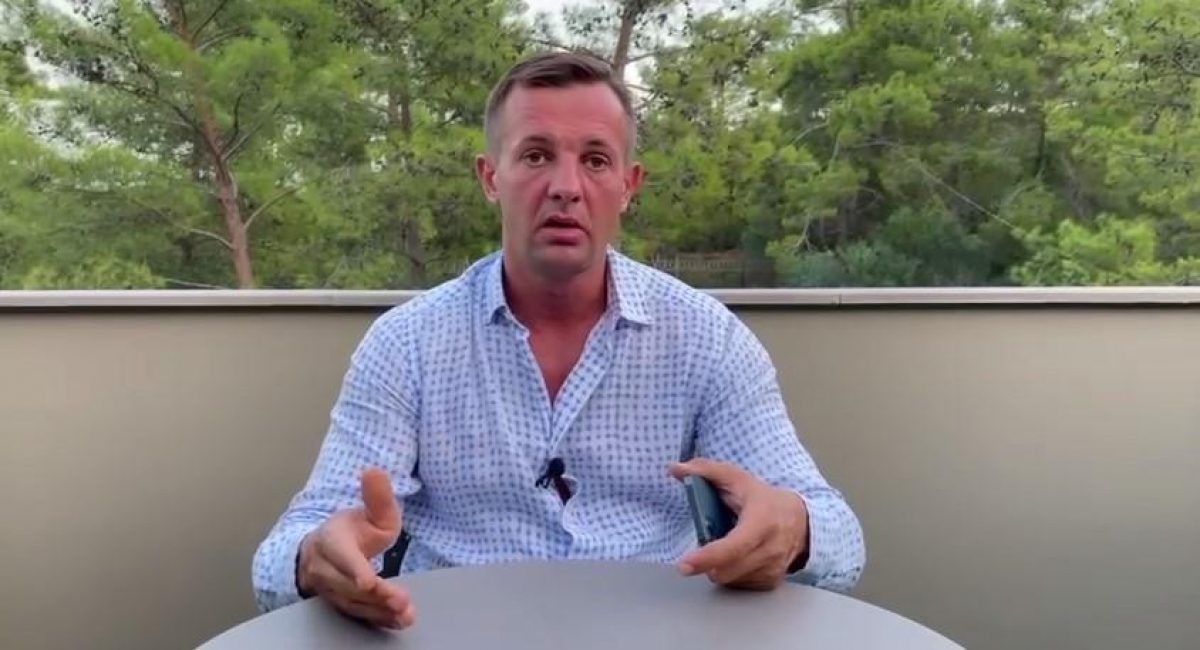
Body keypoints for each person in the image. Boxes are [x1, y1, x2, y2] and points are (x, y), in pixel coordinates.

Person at [251, 51, 865, 630]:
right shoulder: (406, 344)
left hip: (654, 635)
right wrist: (317, 557)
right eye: (536, 155)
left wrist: (792, 528)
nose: (566, 186)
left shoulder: (708, 338)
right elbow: (285, 552)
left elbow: (841, 538)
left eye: (595, 160)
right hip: (452, 634)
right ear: (491, 177)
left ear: (629, 184)